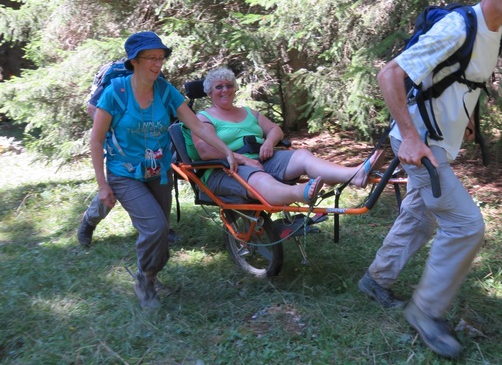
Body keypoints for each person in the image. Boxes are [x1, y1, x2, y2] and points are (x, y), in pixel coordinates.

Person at [358, 0, 502, 358]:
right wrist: (411, 138)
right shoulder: (457, 25)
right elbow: (390, 74)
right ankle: (426, 312)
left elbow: (461, 81)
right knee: (466, 225)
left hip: (438, 142)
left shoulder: (497, 30)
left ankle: (376, 280)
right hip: (421, 145)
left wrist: (465, 119)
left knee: (420, 218)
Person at [90, 31, 238, 308]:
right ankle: (144, 281)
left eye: (160, 58)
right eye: (151, 58)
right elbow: (96, 140)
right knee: (155, 227)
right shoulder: (116, 92)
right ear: (134, 61)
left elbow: (195, 125)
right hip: (124, 173)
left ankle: (152, 274)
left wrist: (227, 151)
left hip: (158, 172)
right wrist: (102, 184)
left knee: (160, 231)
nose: (157, 64)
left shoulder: (165, 90)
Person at [183, 66, 385, 207]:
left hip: (261, 158)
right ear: (210, 92)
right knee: (258, 177)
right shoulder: (203, 117)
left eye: (229, 85)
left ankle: (355, 175)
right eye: (219, 87)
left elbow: (275, 130)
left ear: (235, 89)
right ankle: (301, 192)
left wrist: (269, 142)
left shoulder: (248, 112)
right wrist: (243, 159)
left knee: (302, 156)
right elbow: (205, 150)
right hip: (225, 168)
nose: (225, 90)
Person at [78, 61, 178, 246]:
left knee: (159, 188)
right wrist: (114, 128)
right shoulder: (115, 78)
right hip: (122, 149)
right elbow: (93, 107)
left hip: (150, 151)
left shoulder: (157, 77)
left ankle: (160, 228)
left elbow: (167, 107)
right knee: (110, 191)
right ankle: (89, 221)